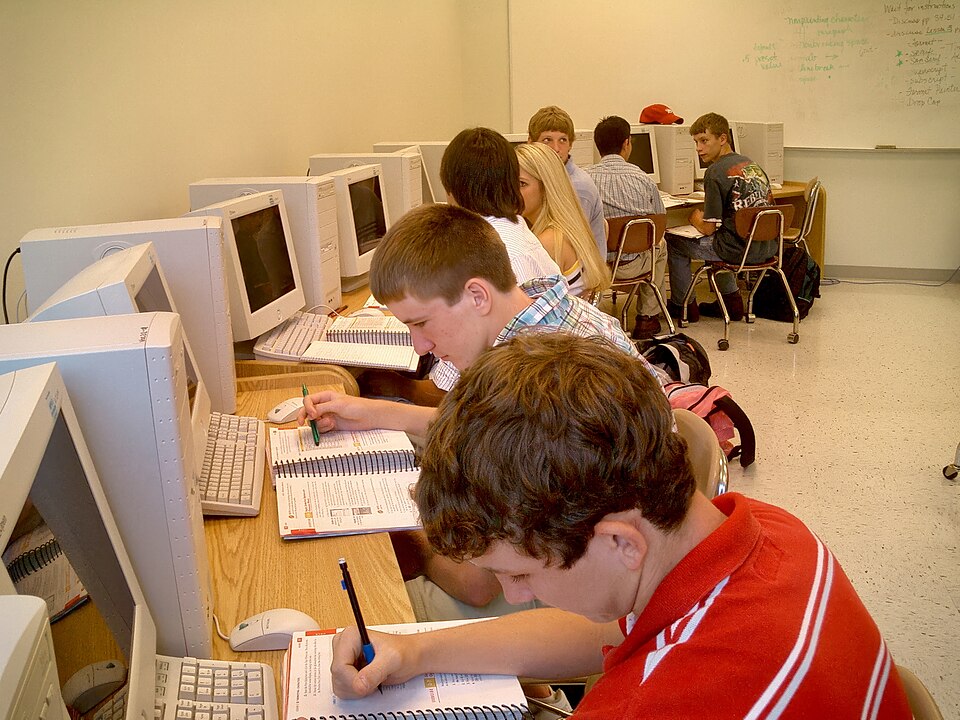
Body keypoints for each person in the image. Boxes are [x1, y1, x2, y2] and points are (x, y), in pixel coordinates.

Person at [330, 333, 913, 719]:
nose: (515, 595)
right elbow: (611, 632)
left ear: (618, 542)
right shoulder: (767, 527)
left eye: (521, 574)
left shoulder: (653, 702)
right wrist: (415, 652)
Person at [299, 204, 665, 618]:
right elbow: (485, 431)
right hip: (604, 549)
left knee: (364, 602)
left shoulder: (534, 381)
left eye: (422, 323)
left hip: (584, 591)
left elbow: (476, 584)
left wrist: (405, 538)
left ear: (477, 295)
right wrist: (372, 413)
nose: (419, 345)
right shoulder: (542, 313)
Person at [666, 112, 775, 322]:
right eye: (696, 142)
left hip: (737, 250)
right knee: (722, 234)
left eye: (704, 141)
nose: (698, 148)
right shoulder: (753, 166)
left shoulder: (715, 172)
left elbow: (708, 228)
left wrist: (695, 219)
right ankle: (731, 303)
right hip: (766, 248)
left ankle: (684, 307)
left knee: (675, 242)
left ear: (723, 139)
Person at [586, 115, 668, 339]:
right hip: (634, 266)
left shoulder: (584, 179)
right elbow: (660, 222)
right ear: (627, 143)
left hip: (596, 266)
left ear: (597, 145)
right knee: (661, 244)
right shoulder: (644, 179)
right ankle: (648, 318)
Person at [516, 141, 610, 299]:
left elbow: (522, 306)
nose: (511, 191)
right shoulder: (567, 226)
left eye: (521, 184)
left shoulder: (549, 241)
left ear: (547, 187)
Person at [527, 106, 606, 260]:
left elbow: (570, 247)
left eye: (562, 140)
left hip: (580, 270)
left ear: (571, 144)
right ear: (531, 142)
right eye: (547, 140)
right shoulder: (538, 179)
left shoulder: (578, 187)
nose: (556, 148)